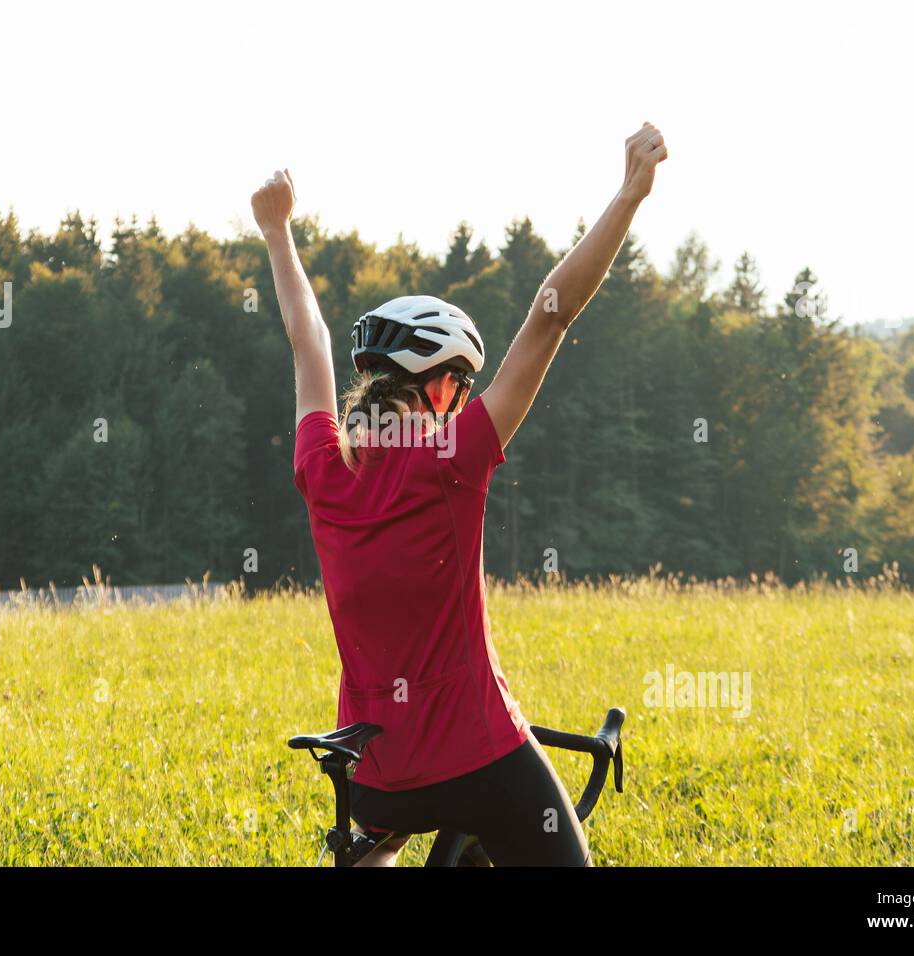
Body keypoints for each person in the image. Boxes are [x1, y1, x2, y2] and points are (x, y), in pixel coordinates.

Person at [251, 124, 667, 866]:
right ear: (442, 385)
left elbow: (306, 341)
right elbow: (552, 313)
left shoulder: (321, 463)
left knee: (371, 845)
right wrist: (628, 196)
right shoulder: (453, 456)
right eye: (460, 389)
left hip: (375, 774)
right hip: (481, 762)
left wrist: (276, 230)